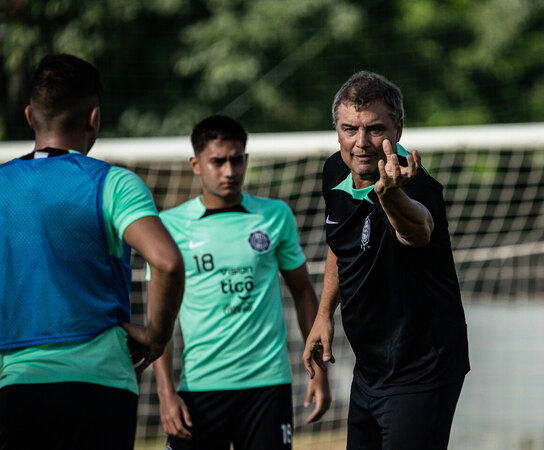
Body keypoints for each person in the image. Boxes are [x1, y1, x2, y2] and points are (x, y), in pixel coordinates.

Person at [0, 54, 185, 450]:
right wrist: (156, 338)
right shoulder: (114, 183)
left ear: (30, 116)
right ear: (94, 118)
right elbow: (167, 263)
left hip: (16, 384)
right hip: (101, 385)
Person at [302, 71, 470, 449]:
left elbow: (417, 232)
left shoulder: (416, 184)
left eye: (375, 129)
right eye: (349, 129)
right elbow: (340, 240)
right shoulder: (334, 170)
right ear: (337, 129)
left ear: (399, 127)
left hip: (423, 368)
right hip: (371, 368)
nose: (361, 143)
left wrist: (390, 195)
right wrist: (324, 313)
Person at [150, 115, 331, 450]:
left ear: (246, 160)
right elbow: (159, 319)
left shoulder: (275, 216)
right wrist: (165, 392)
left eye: (236, 160)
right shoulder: (168, 226)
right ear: (196, 164)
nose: (229, 171)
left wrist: (319, 371)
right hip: (199, 389)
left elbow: (304, 293)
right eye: (217, 162)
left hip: (268, 386)